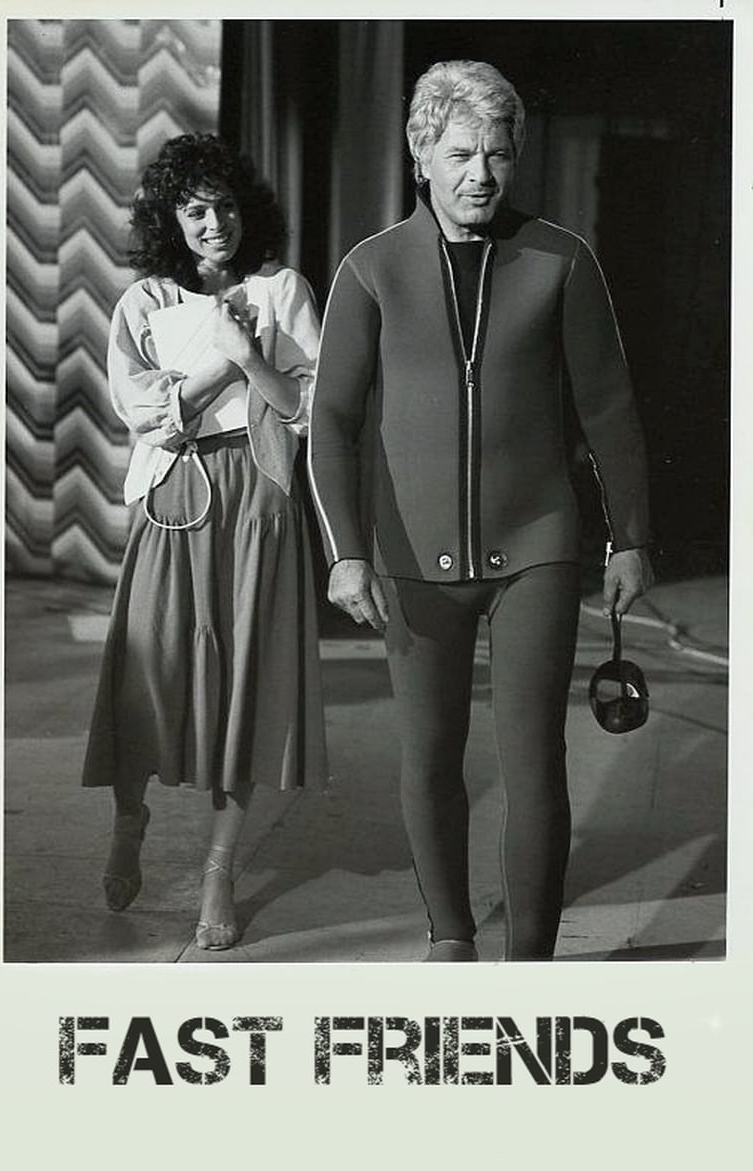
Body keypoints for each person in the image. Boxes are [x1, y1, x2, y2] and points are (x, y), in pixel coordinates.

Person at [309, 60, 652, 962]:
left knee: (536, 758)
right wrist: (346, 551)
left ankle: (529, 959)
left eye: (498, 154)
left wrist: (630, 536)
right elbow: (331, 420)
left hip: (535, 544)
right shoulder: (371, 269)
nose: (481, 174)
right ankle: (451, 938)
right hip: (410, 554)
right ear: (421, 155)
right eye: (461, 153)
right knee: (429, 756)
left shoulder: (561, 259)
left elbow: (609, 407)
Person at [83, 133, 327, 950]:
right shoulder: (144, 302)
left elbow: (306, 406)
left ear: (246, 209)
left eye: (224, 206)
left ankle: (220, 868)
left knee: (245, 681)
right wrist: (225, 366)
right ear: (171, 220)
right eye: (195, 210)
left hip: (258, 494)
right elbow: (146, 413)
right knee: (145, 669)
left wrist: (249, 354)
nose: (214, 223)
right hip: (173, 493)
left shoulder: (282, 289)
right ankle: (129, 818)